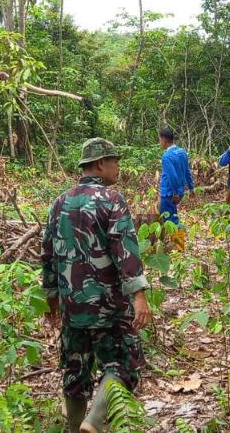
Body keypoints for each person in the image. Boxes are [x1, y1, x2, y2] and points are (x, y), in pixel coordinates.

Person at [42, 137, 152, 433]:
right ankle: (92, 423)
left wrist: (52, 297)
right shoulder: (111, 200)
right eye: (115, 161)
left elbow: (48, 252)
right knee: (124, 364)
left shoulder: (59, 202)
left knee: (75, 369)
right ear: (100, 164)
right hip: (109, 306)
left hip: (71, 305)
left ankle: (75, 424)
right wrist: (139, 294)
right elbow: (125, 250)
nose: (118, 167)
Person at [157, 127, 194, 250]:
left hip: (169, 193)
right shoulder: (182, 152)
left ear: (164, 140)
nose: (159, 142)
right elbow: (187, 171)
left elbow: (172, 176)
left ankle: (178, 246)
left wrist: (174, 193)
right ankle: (173, 244)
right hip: (179, 191)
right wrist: (191, 188)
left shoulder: (167, 156)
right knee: (173, 216)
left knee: (170, 218)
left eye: (160, 139)